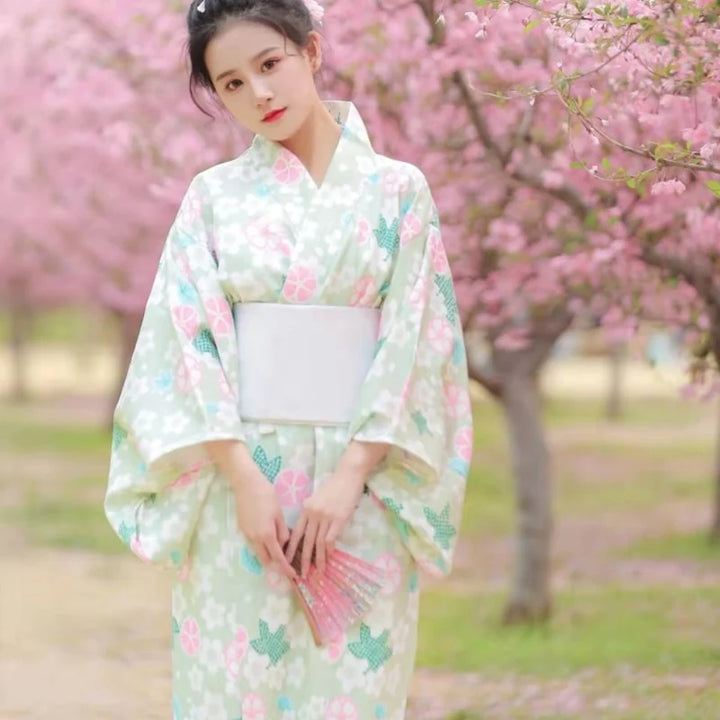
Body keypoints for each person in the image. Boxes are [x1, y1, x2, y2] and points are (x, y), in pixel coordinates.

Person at [104, 0, 473, 717]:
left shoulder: (398, 192)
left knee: (353, 691)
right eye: (231, 84)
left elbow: (416, 341)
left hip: (361, 487)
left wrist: (351, 477)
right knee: (228, 692)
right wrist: (242, 477)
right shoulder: (212, 199)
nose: (258, 94)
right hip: (244, 493)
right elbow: (187, 339)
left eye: (269, 65)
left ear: (312, 52)